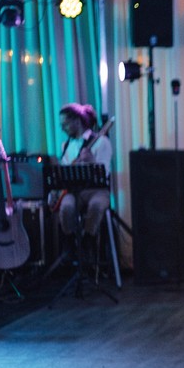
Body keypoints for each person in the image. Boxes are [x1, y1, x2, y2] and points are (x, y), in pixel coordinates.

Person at [50, 103, 112, 259]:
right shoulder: (66, 145)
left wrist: (92, 161)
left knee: (96, 205)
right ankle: (70, 245)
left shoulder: (101, 142)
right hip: (74, 190)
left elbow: (105, 172)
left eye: (65, 124)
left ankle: (88, 241)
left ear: (77, 121)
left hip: (97, 190)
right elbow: (63, 173)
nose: (62, 128)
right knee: (66, 207)